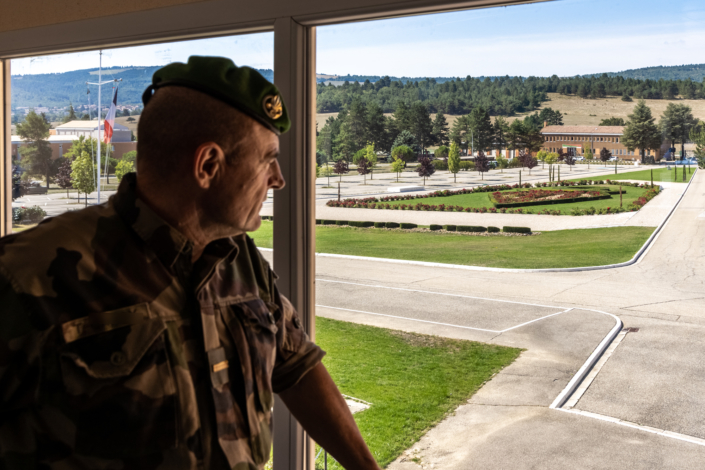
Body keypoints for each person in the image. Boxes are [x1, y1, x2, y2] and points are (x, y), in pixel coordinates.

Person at [0, 56, 380, 470]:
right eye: (267, 159)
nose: (278, 179)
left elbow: (297, 366)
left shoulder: (237, 259)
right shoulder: (24, 276)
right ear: (207, 166)